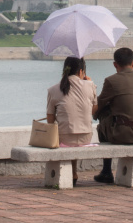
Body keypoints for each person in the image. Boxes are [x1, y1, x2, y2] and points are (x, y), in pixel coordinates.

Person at [93, 47, 133, 184]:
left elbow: (96, 108)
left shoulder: (111, 81)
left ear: (115, 64)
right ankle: (106, 172)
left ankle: (106, 171)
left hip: (122, 134)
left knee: (103, 115)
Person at [47, 56, 98, 186]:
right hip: (85, 137)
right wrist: (89, 84)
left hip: (64, 139)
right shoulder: (90, 85)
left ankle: (72, 172)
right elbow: (93, 112)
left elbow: (50, 120)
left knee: (66, 133)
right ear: (81, 71)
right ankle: (73, 172)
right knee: (73, 135)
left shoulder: (53, 89)